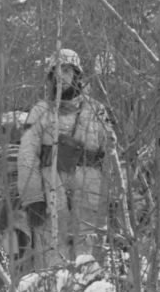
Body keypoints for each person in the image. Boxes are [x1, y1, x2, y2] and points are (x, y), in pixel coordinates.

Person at [17, 48, 116, 269]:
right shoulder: (40, 112)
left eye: (68, 70)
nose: (62, 76)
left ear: (76, 75)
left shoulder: (96, 110)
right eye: (58, 71)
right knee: (52, 260)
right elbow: (26, 157)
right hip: (51, 196)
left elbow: (113, 156)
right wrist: (33, 199)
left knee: (89, 261)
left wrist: (116, 197)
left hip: (91, 197)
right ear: (51, 76)